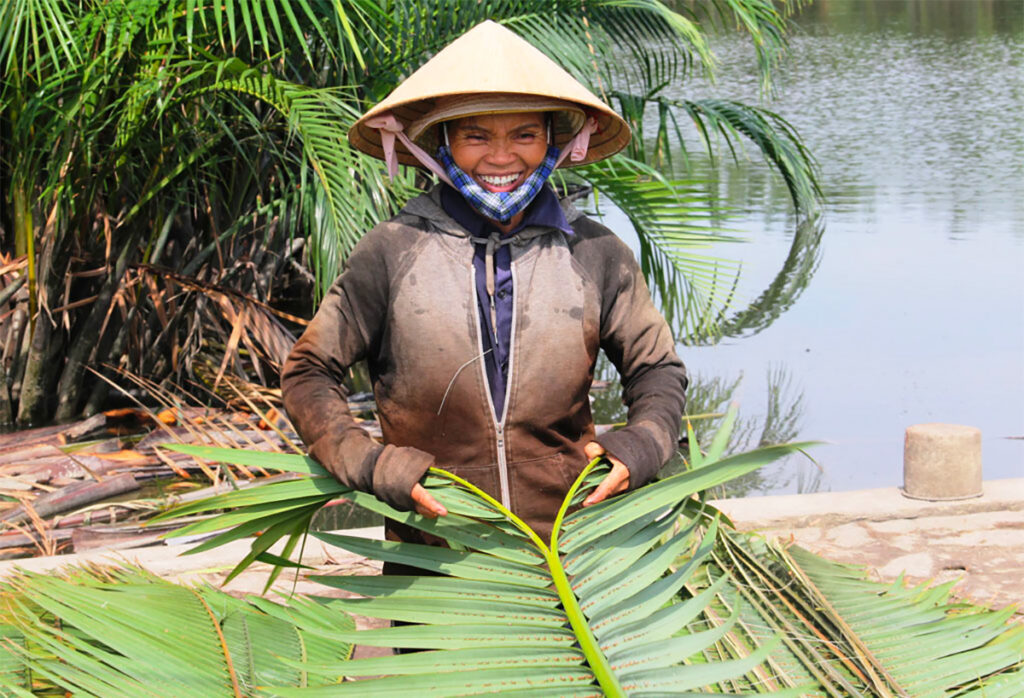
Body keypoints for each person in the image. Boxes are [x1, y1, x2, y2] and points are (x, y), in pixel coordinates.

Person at [281, 21, 687, 547]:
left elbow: (657, 369)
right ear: (443, 143)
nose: (501, 158)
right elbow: (309, 371)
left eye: (525, 135)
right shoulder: (392, 250)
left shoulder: (595, 252)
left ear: (553, 141)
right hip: (433, 551)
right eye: (476, 136)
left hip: (571, 545)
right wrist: (370, 464)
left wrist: (642, 447)